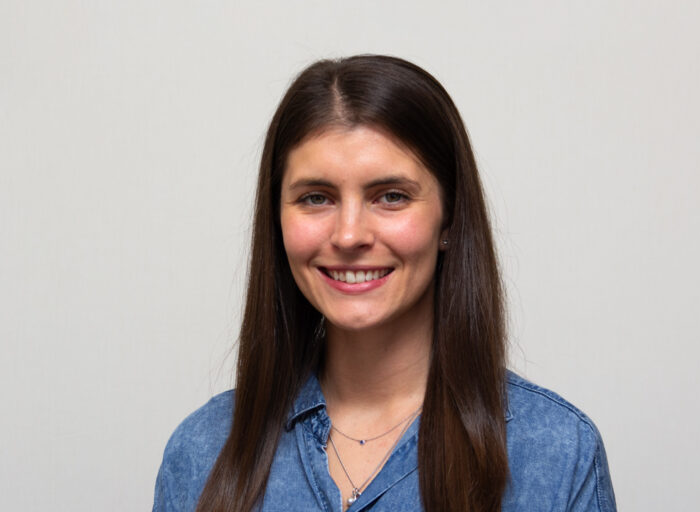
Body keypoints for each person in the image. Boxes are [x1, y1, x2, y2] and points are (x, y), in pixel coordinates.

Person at [153, 55, 617, 512]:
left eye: (390, 197)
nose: (350, 235)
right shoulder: (201, 451)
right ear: (276, 219)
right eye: (316, 198)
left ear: (450, 218)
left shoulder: (557, 453)